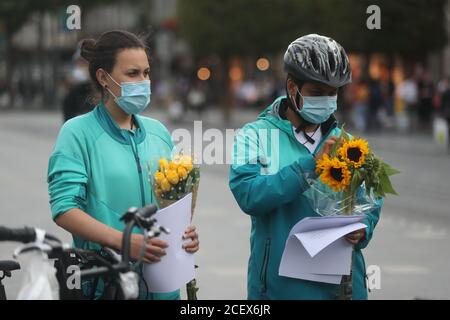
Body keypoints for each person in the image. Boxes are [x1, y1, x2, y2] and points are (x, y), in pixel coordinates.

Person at [47, 30, 199, 300]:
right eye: (132, 74)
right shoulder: (77, 133)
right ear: (103, 78)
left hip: (165, 287)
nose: (143, 82)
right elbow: (65, 210)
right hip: (107, 285)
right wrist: (124, 241)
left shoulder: (158, 132)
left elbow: (172, 204)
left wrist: (184, 234)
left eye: (147, 72)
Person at [229, 34, 382, 300]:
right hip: (281, 289)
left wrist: (364, 227)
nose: (326, 99)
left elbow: (370, 201)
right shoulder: (254, 136)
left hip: (342, 289)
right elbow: (249, 195)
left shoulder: (348, 144)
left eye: (332, 93)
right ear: (292, 87)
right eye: (316, 92)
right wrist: (309, 167)